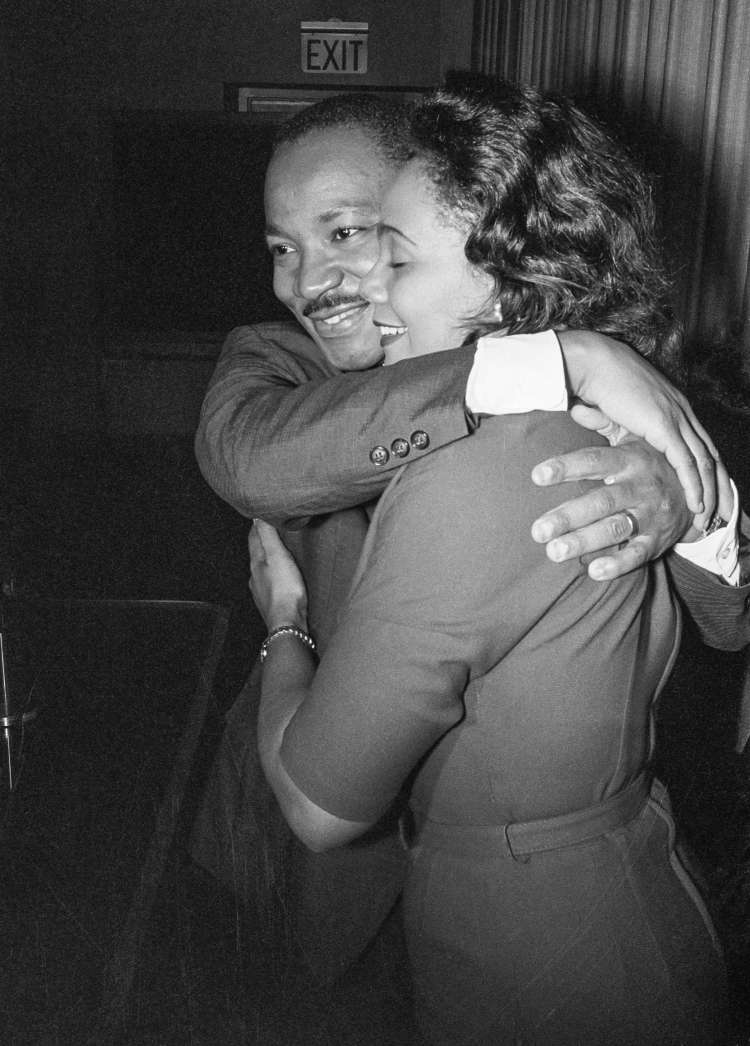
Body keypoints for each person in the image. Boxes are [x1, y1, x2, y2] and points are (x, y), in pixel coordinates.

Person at [190, 93, 743, 988]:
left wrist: (683, 504)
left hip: (526, 890)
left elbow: (728, 617)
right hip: (327, 858)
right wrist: (552, 361)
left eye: (347, 233)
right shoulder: (273, 360)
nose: (311, 282)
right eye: (281, 248)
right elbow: (250, 460)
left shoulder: (601, 390)